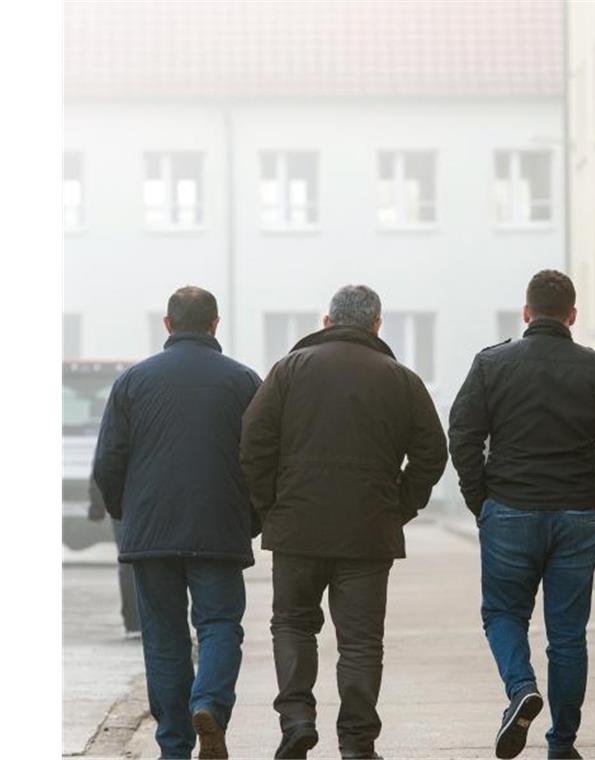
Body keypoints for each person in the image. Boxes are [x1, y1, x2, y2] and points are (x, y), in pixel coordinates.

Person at [240, 284, 447, 760]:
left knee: (292, 624)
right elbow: (432, 453)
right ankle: (357, 743)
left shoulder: (289, 371)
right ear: (377, 325)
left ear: (327, 321)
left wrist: (272, 505)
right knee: (360, 641)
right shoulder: (401, 379)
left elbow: (253, 442)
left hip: (297, 529)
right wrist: (401, 506)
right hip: (369, 531)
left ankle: (296, 720)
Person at [448, 270, 595, 760]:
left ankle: (520, 689)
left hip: (510, 510)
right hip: (578, 513)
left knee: (502, 613)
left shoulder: (493, 365)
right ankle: (562, 744)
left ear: (526, 312)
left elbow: (462, 434)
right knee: (567, 635)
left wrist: (482, 500)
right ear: (573, 316)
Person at [93, 286, 261, 760]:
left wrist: (127, 516)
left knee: (164, 638)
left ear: (167, 324)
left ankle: (173, 745)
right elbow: (264, 457)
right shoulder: (244, 381)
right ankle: (208, 703)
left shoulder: (132, 382)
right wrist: (251, 517)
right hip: (220, 529)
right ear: (215, 324)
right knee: (220, 626)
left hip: (151, 534)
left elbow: (108, 460)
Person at [86, 476, 140, 638]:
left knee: (128, 560)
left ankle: (135, 623)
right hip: (157, 498)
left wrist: (97, 504)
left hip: (124, 501)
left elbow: (105, 461)